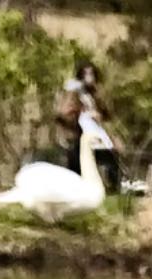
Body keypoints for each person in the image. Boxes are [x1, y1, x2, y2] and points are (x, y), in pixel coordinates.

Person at [53, 61, 120, 190]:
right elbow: (62, 114)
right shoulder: (74, 93)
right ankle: (75, 185)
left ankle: (114, 184)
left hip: (97, 133)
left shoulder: (98, 94)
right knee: (76, 154)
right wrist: (79, 112)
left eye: (92, 74)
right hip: (77, 133)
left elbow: (107, 114)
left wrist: (98, 115)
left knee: (111, 153)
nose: (89, 77)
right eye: (86, 74)